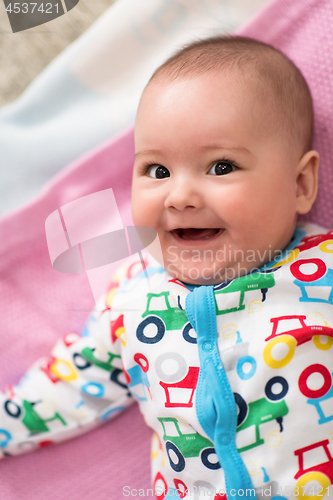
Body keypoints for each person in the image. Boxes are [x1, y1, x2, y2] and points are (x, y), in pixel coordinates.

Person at [1, 36, 333, 500]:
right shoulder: (132, 298)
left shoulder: (323, 272)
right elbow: (74, 385)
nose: (179, 196)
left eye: (220, 166)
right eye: (157, 172)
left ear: (300, 184)